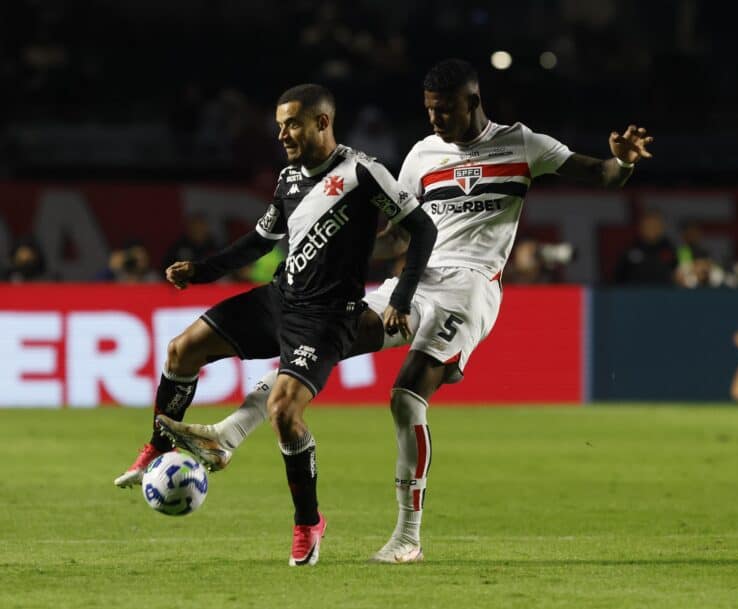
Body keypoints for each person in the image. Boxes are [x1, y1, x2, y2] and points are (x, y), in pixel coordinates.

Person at [155, 59, 653, 564]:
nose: (435, 120)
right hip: (413, 282)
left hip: (470, 289)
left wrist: (624, 162)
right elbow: (401, 227)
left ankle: (408, 537)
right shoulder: (422, 154)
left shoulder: (523, 144)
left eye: (444, 111)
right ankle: (229, 434)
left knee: (406, 398)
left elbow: (602, 174)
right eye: (429, 111)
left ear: (473, 103)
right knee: (323, 339)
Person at [113, 83, 438, 568]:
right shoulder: (288, 179)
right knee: (182, 351)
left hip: (327, 317)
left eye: (292, 124)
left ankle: (308, 522)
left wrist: (403, 297)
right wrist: (202, 270)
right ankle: (157, 450)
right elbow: (258, 243)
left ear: (322, 123)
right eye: (279, 125)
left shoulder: (364, 173)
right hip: (279, 299)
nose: (282, 133)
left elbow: (423, 229)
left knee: (285, 412)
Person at [614, 209, 676, 284]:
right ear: (641, 227)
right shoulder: (629, 250)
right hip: (635, 293)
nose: (651, 227)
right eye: (648, 224)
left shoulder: (672, 250)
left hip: (667, 293)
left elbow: (683, 276)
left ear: (662, 227)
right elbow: (617, 278)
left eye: (655, 224)